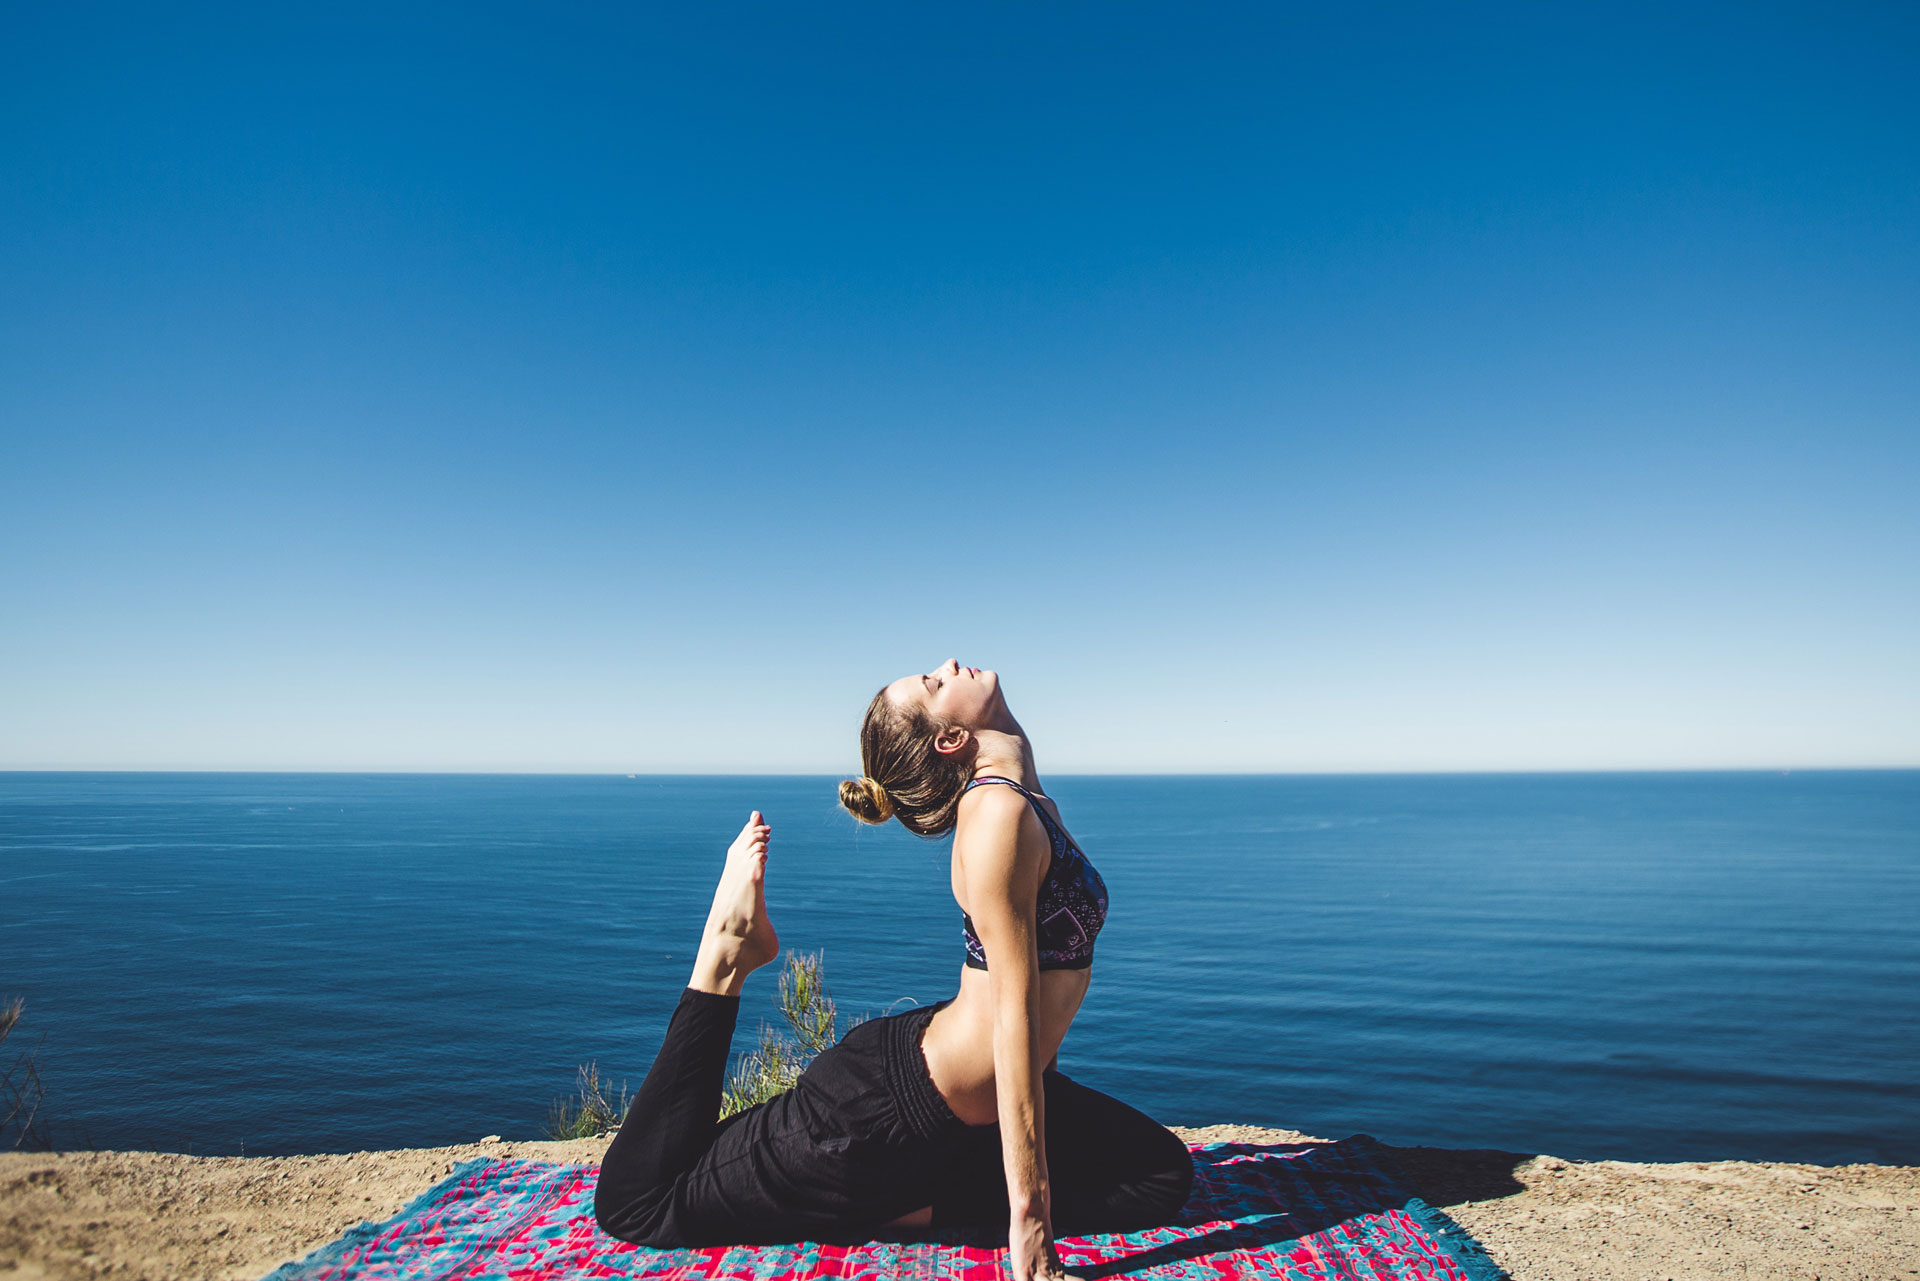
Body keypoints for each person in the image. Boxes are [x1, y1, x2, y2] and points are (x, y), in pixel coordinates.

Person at [593, 661, 1192, 1281]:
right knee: (642, 1203)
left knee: (1159, 1176)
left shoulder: (1028, 804)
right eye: (934, 684)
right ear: (950, 739)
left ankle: (899, 1200)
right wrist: (1032, 1235)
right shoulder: (996, 815)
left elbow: (1038, 998)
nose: (947, 667)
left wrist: (1038, 1107)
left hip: (961, 1100)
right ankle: (724, 956)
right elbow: (1013, 1019)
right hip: (880, 1111)